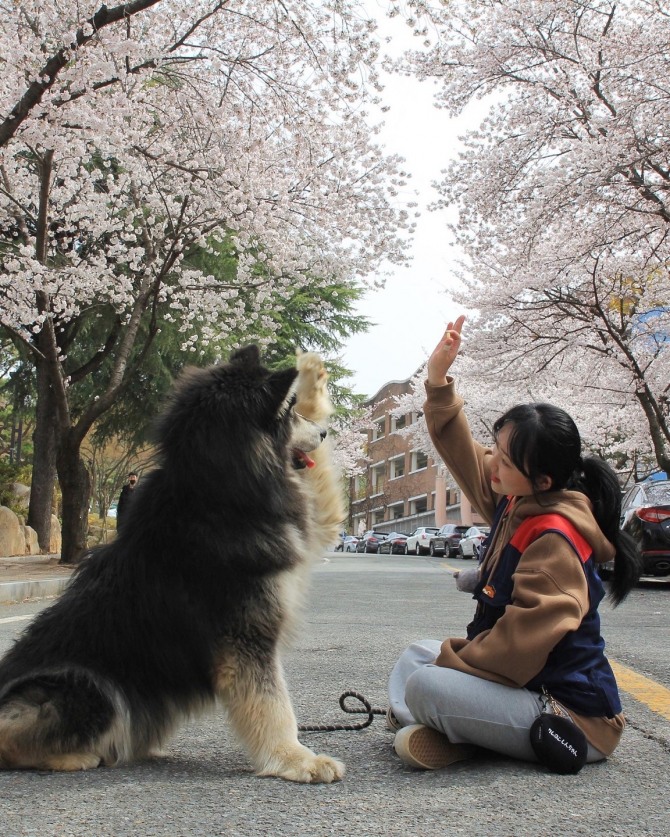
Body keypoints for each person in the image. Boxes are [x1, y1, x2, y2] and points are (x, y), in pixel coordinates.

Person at [388, 315, 641, 772]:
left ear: (541, 479)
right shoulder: (516, 500)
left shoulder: (554, 541)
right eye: (497, 451)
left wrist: (452, 662)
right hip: (523, 689)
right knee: (416, 657)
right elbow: (465, 452)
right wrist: (438, 380)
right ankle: (453, 729)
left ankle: (450, 728)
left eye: (504, 460)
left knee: (427, 682)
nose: (493, 466)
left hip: (570, 718)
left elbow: (514, 653)